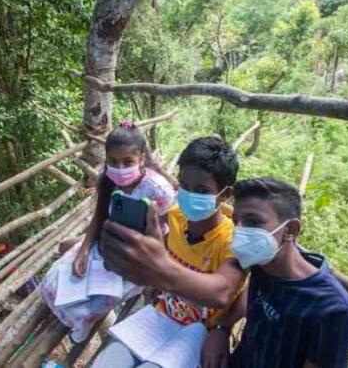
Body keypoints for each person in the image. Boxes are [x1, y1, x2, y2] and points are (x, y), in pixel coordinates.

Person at [102, 175, 348, 368]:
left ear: (290, 230)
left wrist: (159, 269)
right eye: (237, 222)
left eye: (254, 222)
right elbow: (249, 295)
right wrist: (222, 329)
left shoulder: (332, 310)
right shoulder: (263, 264)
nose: (242, 231)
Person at [92, 136, 246, 368]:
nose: (190, 194)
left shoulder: (235, 240)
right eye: (184, 186)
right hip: (160, 314)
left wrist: (160, 269)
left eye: (202, 190)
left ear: (225, 195)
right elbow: (161, 249)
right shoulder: (175, 217)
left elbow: (221, 292)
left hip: (200, 330)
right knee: (108, 362)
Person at [39, 121, 176, 343]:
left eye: (128, 162)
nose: (120, 169)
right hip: (107, 244)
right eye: (113, 162)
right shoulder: (110, 180)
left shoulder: (158, 190)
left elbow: (171, 233)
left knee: (90, 305)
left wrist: (156, 269)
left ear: (142, 158)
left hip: (139, 256)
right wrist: (83, 251)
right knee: (52, 283)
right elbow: (99, 217)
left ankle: (83, 324)